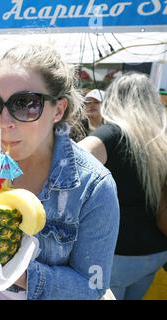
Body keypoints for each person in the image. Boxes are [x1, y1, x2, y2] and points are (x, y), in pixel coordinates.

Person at [0, 43, 120, 300]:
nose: (4, 122)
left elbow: (92, 287)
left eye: (26, 104)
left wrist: (10, 272)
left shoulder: (92, 187)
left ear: (58, 110)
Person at [78, 72, 167, 300]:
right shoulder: (162, 136)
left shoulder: (113, 134)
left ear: (114, 100)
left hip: (116, 253)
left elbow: (70, 161)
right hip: (156, 252)